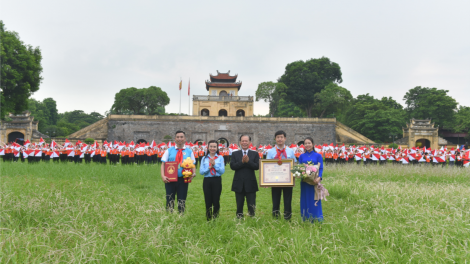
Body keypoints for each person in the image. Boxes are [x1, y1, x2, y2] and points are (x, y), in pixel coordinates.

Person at [160, 130, 196, 213]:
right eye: (178, 137)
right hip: (170, 179)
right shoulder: (169, 150)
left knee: (182, 199)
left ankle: (181, 216)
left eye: (181, 137)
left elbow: (193, 164)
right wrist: (163, 176)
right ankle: (169, 216)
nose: (180, 139)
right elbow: (163, 164)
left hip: (183, 179)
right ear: (175, 139)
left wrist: (193, 173)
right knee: (169, 198)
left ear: (185, 138)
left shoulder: (189, 151)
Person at [266, 130, 297, 220]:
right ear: (275, 139)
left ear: (285, 138)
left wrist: (295, 174)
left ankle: (287, 216)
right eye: (278, 137)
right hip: (275, 179)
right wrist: (266, 180)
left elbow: (294, 163)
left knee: (288, 198)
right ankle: (275, 216)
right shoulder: (271, 152)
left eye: (281, 137)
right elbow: (267, 165)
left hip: (288, 178)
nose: (280, 139)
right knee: (275, 198)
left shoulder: (290, 151)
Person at [230, 135, 259, 218]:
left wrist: (248, 162)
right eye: (243, 141)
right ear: (240, 142)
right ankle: (239, 218)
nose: (244, 143)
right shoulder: (235, 154)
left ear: (250, 142)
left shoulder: (255, 154)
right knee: (239, 204)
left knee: (251, 204)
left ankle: (252, 218)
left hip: (251, 182)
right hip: (238, 182)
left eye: (246, 141)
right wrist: (242, 162)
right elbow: (232, 166)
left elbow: (257, 166)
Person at [298, 137, 324, 222]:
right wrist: (301, 174)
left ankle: (316, 217)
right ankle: (306, 217)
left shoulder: (318, 155)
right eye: (305, 143)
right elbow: (300, 168)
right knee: (305, 198)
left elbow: (321, 168)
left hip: (314, 181)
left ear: (313, 144)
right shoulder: (301, 156)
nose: (307, 145)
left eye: (309, 143)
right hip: (305, 182)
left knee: (315, 198)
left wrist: (319, 177)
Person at [199, 140, 225, 220]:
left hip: (217, 180)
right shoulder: (204, 158)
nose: (212, 148)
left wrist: (215, 165)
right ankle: (208, 217)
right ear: (208, 147)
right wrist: (208, 168)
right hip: (207, 180)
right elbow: (201, 172)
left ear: (217, 148)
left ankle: (215, 217)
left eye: (214, 147)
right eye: (211, 146)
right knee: (208, 199)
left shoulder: (220, 158)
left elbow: (222, 171)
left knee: (216, 200)